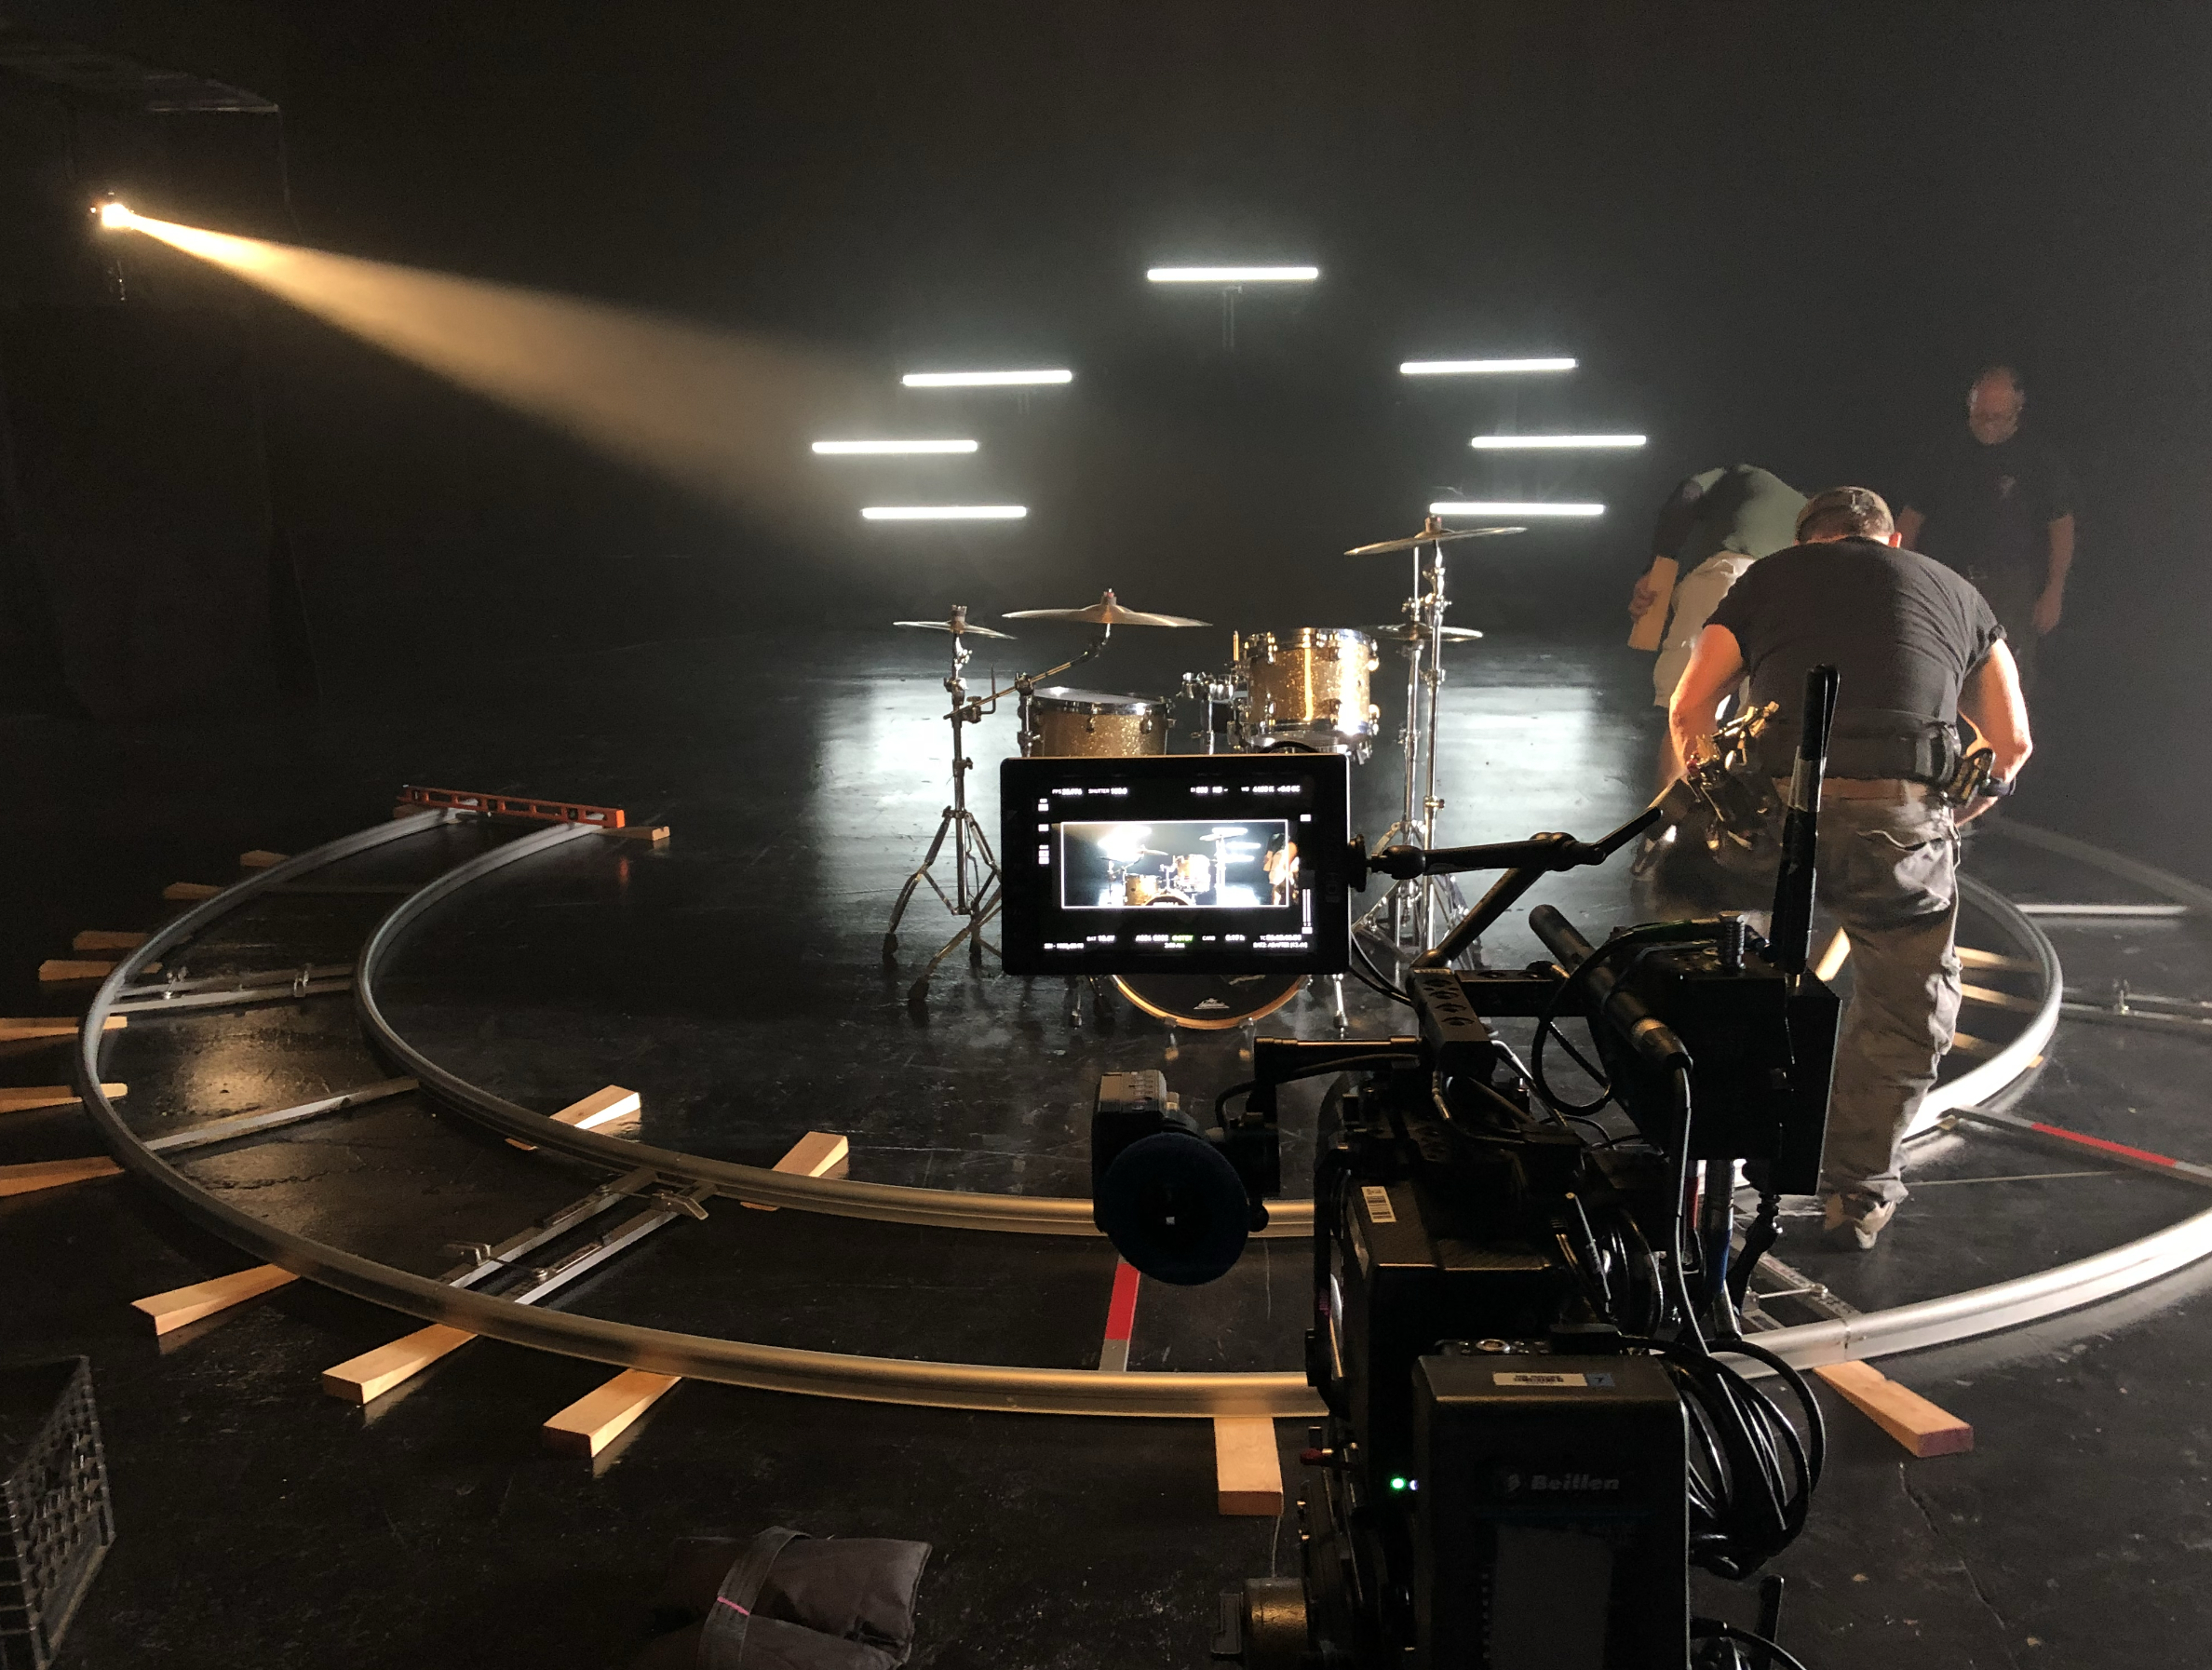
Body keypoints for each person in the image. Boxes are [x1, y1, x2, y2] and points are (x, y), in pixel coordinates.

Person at [1666, 486, 2032, 1250]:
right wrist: (1943, 820)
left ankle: (1704, 1174)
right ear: (1892, 542)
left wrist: (1720, 802)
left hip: (1770, 821)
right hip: (1898, 822)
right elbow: (2010, 741)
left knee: (1731, 978)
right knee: (1904, 1006)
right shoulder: (1955, 590)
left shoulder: (1767, 579)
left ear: (1806, 542)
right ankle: (1856, 1194)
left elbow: (1688, 708)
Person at [1895, 366, 2076, 695]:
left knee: (2007, 682)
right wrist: (1896, 575)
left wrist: (2055, 588)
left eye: (1997, 417)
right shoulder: (1944, 451)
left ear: (2018, 407)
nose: (1988, 424)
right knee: (1940, 671)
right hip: (1947, 580)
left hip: (2010, 587)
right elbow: (1910, 518)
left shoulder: (2039, 460)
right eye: (1980, 416)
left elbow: (2060, 527)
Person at [1628, 465, 1807, 782]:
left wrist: (1657, 565)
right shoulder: (1805, 512)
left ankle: (1674, 826)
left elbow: (1687, 495)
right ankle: (1740, 825)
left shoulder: (1736, 474)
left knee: (1690, 709)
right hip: (1789, 591)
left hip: (1729, 574)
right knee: (1759, 721)